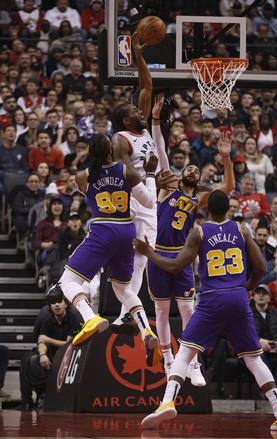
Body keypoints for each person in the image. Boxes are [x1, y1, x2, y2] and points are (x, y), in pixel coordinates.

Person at [134, 190, 277, 432]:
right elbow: (260, 266)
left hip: (213, 299)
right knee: (253, 358)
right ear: (229, 209)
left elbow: (176, 266)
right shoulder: (242, 229)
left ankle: (167, 402)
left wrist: (149, 253)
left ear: (207, 211)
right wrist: (246, 287)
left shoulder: (199, 231)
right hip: (239, 298)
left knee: (185, 352)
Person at [59, 134, 162, 368]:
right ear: (110, 150)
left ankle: (89, 318)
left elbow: (91, 192)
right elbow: (148, 203)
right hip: (126, 231)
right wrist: (151, 175)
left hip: (103, 228)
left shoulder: (82, 176)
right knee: (123, 289)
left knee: (68, 281)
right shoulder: (127, 171)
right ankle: (146, 331)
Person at [147, 132, 234, 385]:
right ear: (181, 172)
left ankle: (192, 363)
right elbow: (160, 148)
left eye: (197, 170)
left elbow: (227, 188)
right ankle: (168, 360)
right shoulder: (167, 189)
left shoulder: (200, 198)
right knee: (161, 312)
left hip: (182, 256)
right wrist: (155, 123)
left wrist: (226, 159)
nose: (194, 171)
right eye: (190, 168)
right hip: (158, 253)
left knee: (188, 311)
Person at [109, 32, 177, 334]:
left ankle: (125, 315)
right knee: (120, 256)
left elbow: (147, 85)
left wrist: (139, 55)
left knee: (142, 257)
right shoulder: (120, 139)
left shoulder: (144, 132)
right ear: (126, 121)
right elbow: (126, 175)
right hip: (131, 197)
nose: (140, 110)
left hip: (149, 193)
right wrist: (151, 176)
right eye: (135, 111)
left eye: (139, 108)